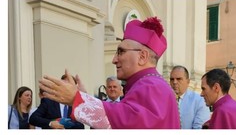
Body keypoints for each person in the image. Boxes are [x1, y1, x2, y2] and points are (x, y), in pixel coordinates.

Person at [38, 16, 180, 128]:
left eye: (121, 52)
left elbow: (125, 123)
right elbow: (121, 114)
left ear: (142, 56)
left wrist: (77, 99)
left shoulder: (151, 86)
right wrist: (84, 97)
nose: (114, 59)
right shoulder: (149, 83)